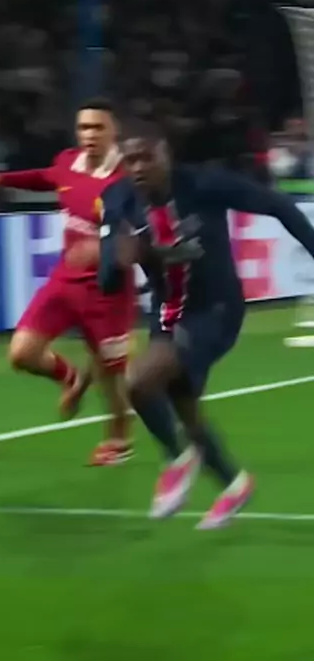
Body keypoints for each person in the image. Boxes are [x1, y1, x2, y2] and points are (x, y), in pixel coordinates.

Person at [95, 125, 314, 528]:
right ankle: (234, 484)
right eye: (131, 159)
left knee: (140, 382)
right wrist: (120, 259)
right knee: (184, 406)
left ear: (166, 154)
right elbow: (108, 277)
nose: (139, 167)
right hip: (167, 312)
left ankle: (176, 460)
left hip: (217, 309)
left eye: (147, 157)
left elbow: (278, 205)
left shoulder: (204, 184)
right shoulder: (117, 199)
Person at [0, 99, 138, 466]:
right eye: (84, 127)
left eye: (98, 127)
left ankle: (119, 440)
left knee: (112, 376)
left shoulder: (128, 179)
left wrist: (105, 248)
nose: (89, 134)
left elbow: (144, 235)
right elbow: (43, 177)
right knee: (22, 353)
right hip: (65, 281)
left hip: (108, 290)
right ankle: (70, 377)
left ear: (114, 131)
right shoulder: (67, 162)